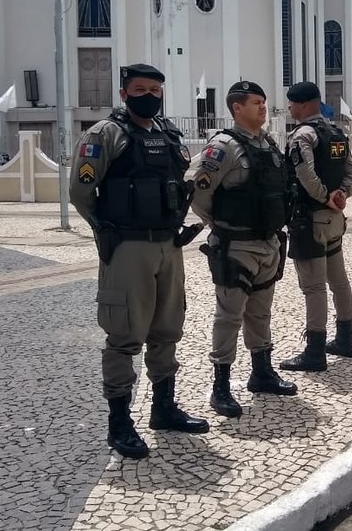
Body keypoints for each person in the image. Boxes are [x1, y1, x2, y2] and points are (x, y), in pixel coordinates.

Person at [69, 63, 208, 460]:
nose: (149, 95)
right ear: (124, 93)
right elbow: (80, 192)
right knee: (125, 335)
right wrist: (105, 229)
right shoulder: (105, 134)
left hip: (168, 245)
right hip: (127, 246)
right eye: (140, 88)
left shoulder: (168, 135)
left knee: (167, 329)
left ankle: (164, 409)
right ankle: (119, 424)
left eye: (155, 89)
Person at [188, 81, 297, 418]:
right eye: (255, 103)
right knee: (229, 316)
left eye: (264, 102)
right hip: (236, 246)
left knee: (260, 312)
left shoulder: (268, 144)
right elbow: (198, 192)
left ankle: (261, 372)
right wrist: (220, 226)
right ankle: (221, 386)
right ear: (237, 108)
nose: (263, 108)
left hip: (268, 243)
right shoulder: (223, 147)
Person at [279, 82, 352, 372]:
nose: (290, 109)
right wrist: (342, 195)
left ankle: (314, 351)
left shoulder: (303, 135)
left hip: (310, 218)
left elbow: (304, 174)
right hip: (334, 219)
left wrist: (325, 197)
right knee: (339, 280)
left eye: (291, 105)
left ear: (300, 105)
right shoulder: (336, 133)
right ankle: (345, 338)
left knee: (313, 286)